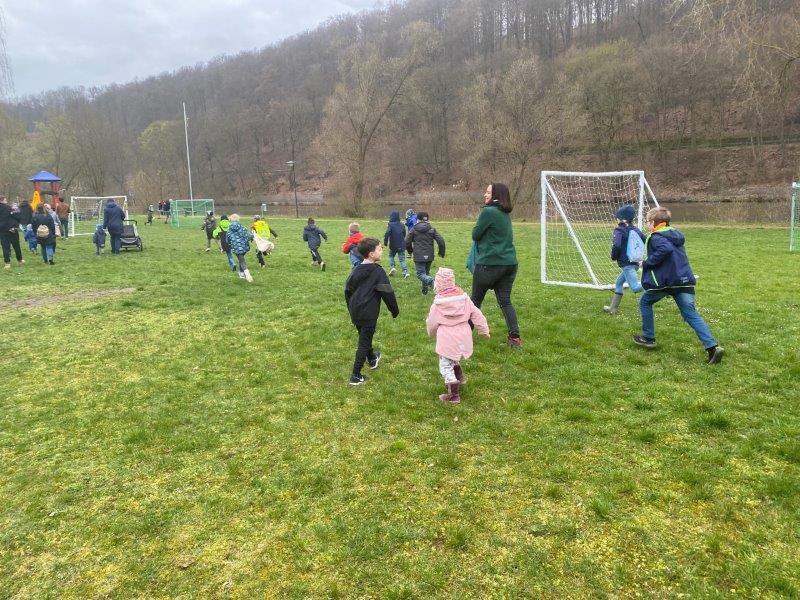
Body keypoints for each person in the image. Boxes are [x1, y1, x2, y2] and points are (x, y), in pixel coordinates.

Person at [634, 207, 724, 364]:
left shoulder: (656, 237)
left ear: (654, 223)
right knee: (690, 314)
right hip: (683, 281)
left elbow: (665, 249)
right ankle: (713, 348)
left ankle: (648, 337)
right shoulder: (674, 234)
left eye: (647, 221)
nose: (647, 224)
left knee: (645, 301)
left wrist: (646, 263)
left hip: (666, 282)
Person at [426, 268, 490, 404]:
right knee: (453, 357)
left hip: (447, 338)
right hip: (464, 335)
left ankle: (453, 395)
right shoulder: (465, 299)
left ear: (438, 284)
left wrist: (431, 332)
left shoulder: (437, 304)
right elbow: (476, 313)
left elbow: (431, 322)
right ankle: (459, 378)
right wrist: (483, 329)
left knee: (445, 364)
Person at [471, 183, 522, 348]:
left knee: (474, 302)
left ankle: (462, 337)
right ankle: (514, 338)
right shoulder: (505, 213)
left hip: (489, 264)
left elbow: (475, 234)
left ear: (496, 195)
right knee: (505, 302)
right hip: (510, 264)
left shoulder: (488, 212)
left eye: (488, 192)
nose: (485, 194)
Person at [344, 238, 399, 385]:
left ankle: (372, 358)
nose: (382, 251)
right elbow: (387, 293)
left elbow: (347, 291)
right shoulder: (378, 272)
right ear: (371, 254)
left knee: (365, 337)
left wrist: (351, 308)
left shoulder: (356, 270)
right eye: (380, 249)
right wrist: (394, 310)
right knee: (364, 342)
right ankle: (355, 375)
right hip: (368, 313)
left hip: (356, 311)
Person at [604, 204, 645, 314]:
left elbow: (617, 245)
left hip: (627, 264)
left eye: (617, 217)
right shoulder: (636, 229)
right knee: (618, 283)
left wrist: (614, 256)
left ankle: (656, 285)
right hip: (635, 262)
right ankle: (613, 308)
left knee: (635, 287)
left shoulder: (619, 230)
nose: (616, 219)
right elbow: (644, 240)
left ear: (622, 219)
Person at [405, 211, 445, 295]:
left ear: (417, 220)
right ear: (427, 219)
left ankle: (433, 282)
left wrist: (410, 251)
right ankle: (424, 292)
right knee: (426, 273)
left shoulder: (413, 229)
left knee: (420, 274)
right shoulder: (432, 229)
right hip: (429, 255)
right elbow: (441, 240)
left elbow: (407, 242)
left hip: (418, 256)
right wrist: (441, 252)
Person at [226, 214, 254, 282]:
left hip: (236, 247)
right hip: (244, 246)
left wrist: (230, 244)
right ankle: (242, 273)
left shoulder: (229, 228)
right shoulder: (242, 227)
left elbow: (227, 239)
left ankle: (247, 273)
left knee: (242, 261)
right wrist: (252, 236)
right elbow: (248, 235)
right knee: (241, 259)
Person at [0, 196, 24, 270]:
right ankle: (19, 260)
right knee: (16, 245)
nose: (6, 201)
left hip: (2, 230)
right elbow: (17, 216)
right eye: (5, 200)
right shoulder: (9, 207)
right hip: (12, 229)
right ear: (2, 200)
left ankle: (7, 263)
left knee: (5, 247)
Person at [383, 210, 409, 278]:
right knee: (402, 259)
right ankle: (405, 272)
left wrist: (385, 242)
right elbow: (404, 233)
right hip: (401, 245)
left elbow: (387, 233)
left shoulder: (390, 225)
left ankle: (392, 267)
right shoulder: (402, 225)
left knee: (391, 256)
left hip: (393, 245)